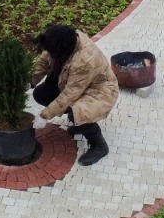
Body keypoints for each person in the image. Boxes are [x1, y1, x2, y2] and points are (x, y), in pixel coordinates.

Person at [31, 24, 118, 166]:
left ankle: (99, 146)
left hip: (100, 90)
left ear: (64, 51)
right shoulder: (60, 39)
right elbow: (44, 60)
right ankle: (78, 123)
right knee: (41, 94)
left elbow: (69, 94)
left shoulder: (84, 59)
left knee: (78, 111)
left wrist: (44, 115)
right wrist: (30, 81)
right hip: (76, 83)